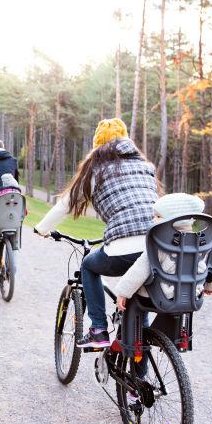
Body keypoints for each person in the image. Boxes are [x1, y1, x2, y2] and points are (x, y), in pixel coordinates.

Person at [34, 118, 158, 348]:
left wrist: (42, 229)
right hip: (156, 247)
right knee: (138, 305)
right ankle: (139, 379)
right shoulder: (145, 167)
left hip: (123, 247)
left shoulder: (96, 170)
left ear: (98, 146)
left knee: (89, 266)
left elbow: (66, 204)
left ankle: (99, 330)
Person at [113, 193, 212, 311]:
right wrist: (211, 286)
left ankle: (133, 328)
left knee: (132, 299)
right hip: (193, 296)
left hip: (162, 297)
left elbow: (139, 270)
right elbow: (211, 265)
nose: (154, 219)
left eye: (158, 216)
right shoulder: (200, 243)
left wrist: (123, 292)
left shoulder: (161, 243)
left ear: (174, 219)